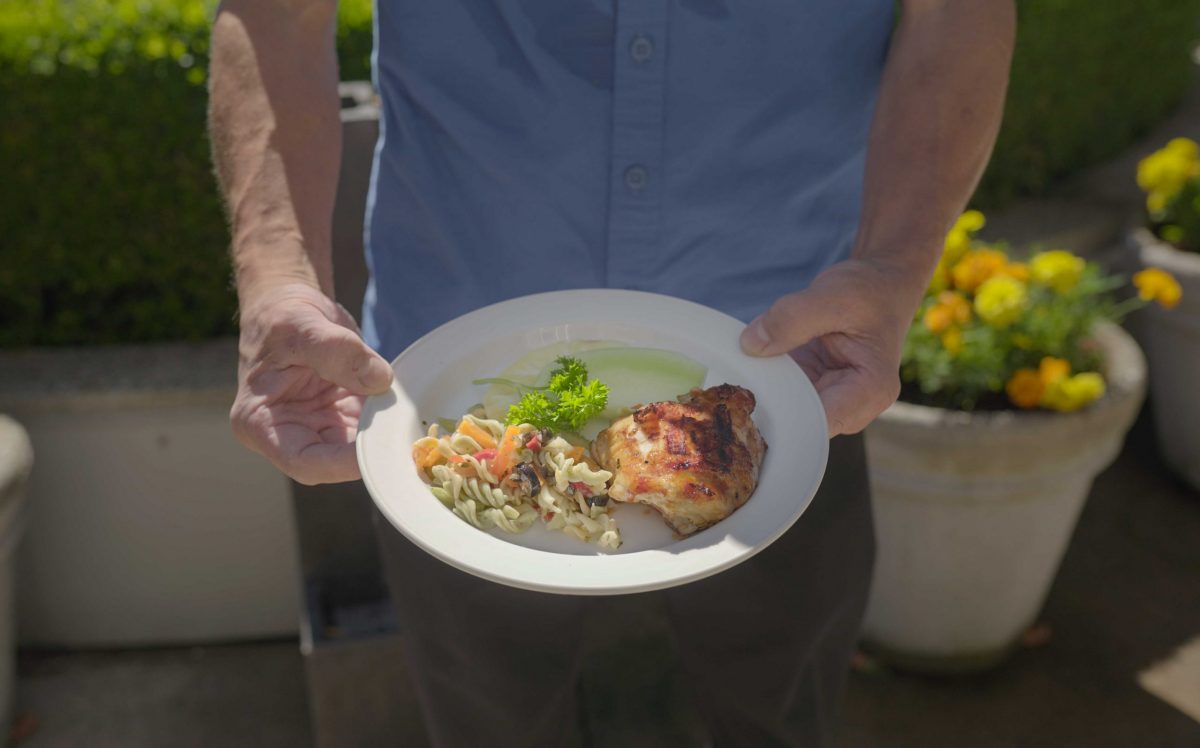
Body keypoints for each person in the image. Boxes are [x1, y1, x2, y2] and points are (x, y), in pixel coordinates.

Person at [210, 1, 1015, 745]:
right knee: (490, 715)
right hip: (448, 383)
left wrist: (893, 263)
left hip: (797, 372)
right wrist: (278, 272)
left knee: (783, 698)